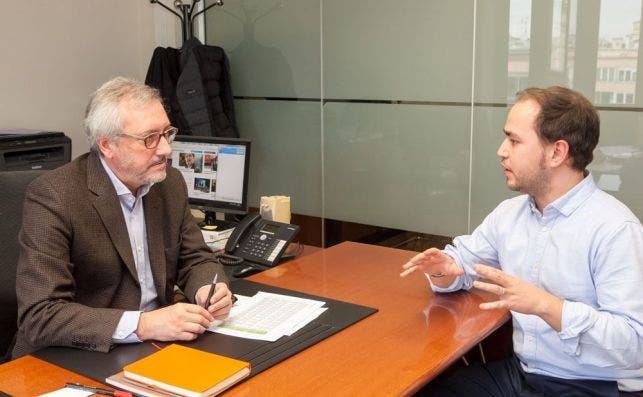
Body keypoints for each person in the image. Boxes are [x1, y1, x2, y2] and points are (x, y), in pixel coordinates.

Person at [401, 86, 643, 396]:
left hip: (594, 385)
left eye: (514, 141)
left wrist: (546, 305)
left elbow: (635, 344)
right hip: (524, 374)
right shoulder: (511, 214)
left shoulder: (615, 229)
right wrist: (444, 269)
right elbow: (463, 262)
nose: (501, 151)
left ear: (557, 152)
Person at [13, 77, 233, 357]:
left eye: (167, 133)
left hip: (157, 346)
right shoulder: (54, 195)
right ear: (107, 145)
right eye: (150, 138)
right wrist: (143, 324)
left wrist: (209, 287)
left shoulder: (169, 183)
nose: (166, 150)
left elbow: (196, 259)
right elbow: (40, 315)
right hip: (78, 353)